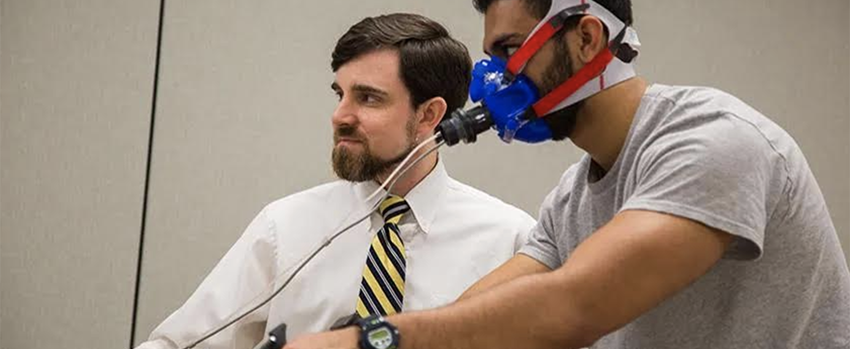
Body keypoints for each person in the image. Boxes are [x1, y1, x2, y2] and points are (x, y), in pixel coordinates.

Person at [285, 1, 850, 348]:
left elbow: (571, 309)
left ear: (586, 39)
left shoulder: (712, 139)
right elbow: (471, 321)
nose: (493, 80)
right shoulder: (573, 198)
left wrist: (375, 340)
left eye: (509, 50)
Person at [136, 13, 536, 349]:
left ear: (429, 116)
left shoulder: (510, 241)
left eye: (368, 98)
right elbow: (177, 344)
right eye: (339, 94)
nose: (340, 116)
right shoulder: (286, 227)